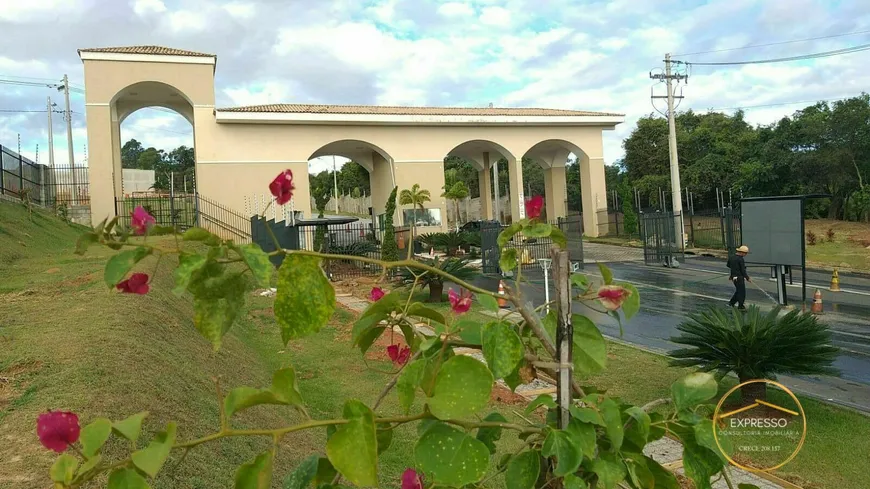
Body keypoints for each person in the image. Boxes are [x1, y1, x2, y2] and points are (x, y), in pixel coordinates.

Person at [727, 245, 751, 310]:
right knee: (742, 292)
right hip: (739, 277)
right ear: (742, 252)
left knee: (738, 290)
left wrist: (734, 271)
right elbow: (743, 270)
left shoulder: (731, 257)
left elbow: (728, 265)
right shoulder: (740, 259)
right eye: (745, 253)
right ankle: (740, 305)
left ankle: (732, 302)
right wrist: (747, 277)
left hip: (733, 277)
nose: (745, 254)